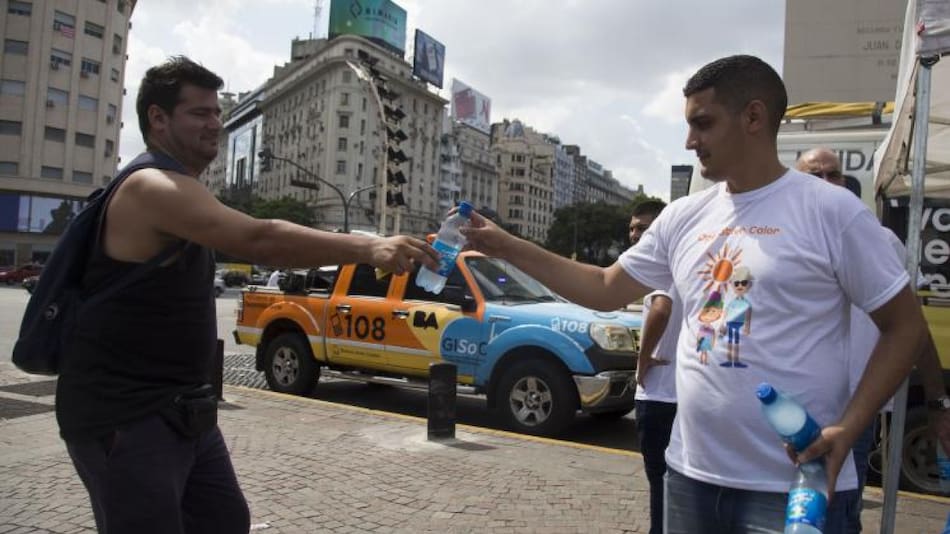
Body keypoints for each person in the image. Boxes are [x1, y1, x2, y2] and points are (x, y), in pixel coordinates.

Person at [460, 55, 928, 533]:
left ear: (753, 117)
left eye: (702, 123)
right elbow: (604, 287)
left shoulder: (832, 211)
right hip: (689, 477)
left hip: (796, 487)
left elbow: (905, 327)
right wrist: (506, 245)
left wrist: (848, 430)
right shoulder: (683, 216)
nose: (690, 141)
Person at [55, 56, 439, 534]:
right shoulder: (150, 187)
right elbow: (260, 239)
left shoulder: (184, 187)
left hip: (184, 413)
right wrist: (368, 246)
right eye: (199, 113)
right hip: (127, 418)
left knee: (224, 520)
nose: (215, 124)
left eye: (217, 112)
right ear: (157, 118)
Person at [796, 147, 950, 533]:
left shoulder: (881, 241)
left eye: (835, 176)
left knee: (837, 513)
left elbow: (914, 329)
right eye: (815, 177)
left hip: (852, 413)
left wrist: (937, 401)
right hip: (787, 408)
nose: (828, 185)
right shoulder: (783, 241)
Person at [629, 200, 682, 534]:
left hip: (659, 393)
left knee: (660, 484)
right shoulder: (686, 266)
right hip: (678, 393)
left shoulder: (663, 269)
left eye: (644, 228)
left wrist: (642, 358)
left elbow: (661, 308)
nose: (636, 235)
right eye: (632, 228)